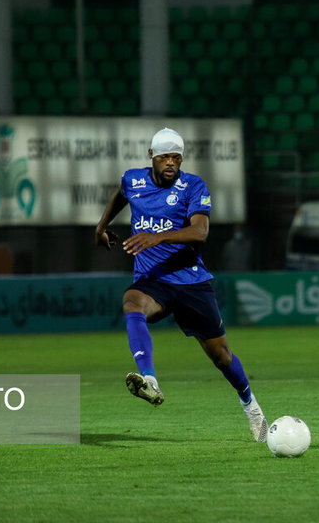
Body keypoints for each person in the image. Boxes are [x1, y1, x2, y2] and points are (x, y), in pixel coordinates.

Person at [95, 128, 268, 442]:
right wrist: (101, 227)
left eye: (176, 156)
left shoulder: (193, 186)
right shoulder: (133, 180)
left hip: (190, 281)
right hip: (153, 281)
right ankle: (149, 379)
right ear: (152, 157)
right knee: (132, 303)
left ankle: (251, 406)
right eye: (165, 157)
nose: (171, 162)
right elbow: (121, 193)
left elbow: (200, 232)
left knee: (222, 357)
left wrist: (156, 237)